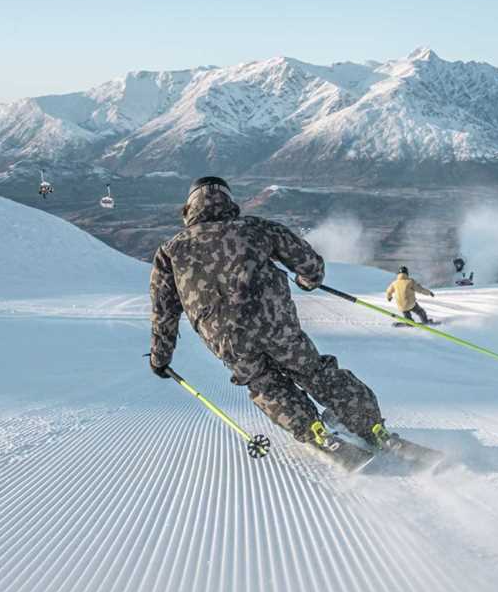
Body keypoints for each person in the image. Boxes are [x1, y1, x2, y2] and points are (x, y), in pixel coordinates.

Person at [148, 176, 392, 452]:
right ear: (229, 200)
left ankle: (314, 430)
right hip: (276, 324)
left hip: (225, 338)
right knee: (312, 370)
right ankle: (371, 425)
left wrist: (160, 357)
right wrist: (308, 280)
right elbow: (309, 263)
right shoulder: (257, 228)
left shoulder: (170, 250)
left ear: (189, 208)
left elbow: (164, 311)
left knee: (263, 382)